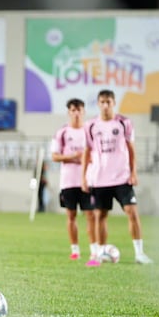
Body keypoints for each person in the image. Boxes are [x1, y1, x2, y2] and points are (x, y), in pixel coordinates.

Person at [81, 89, 152, 265]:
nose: (105, 105)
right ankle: (100, 253)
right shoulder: (90, 126)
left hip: (122, 177)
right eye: (102, 102)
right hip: (99, 178)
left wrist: (133, 172)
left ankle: (139, 253)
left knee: (132, 212)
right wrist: (84, 177)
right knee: (100, 216)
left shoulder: (124, 122)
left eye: (109, 102)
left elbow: (131, 148)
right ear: (98, 104)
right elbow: (86, 152)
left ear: (114, 103)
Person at [50, 98, 98, 261]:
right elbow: (54, 156)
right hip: (68, 181)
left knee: (91, 215)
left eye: (79, 110)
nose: (76, 113)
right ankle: (75, 250)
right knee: (71, 216)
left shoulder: (90, 131)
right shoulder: (62, 132)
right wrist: (74, 156)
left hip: (87, 180)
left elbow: (97, 154)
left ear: (84, 112)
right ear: (68, 112)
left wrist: (87, 159)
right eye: (73, 110)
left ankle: (94, 250)